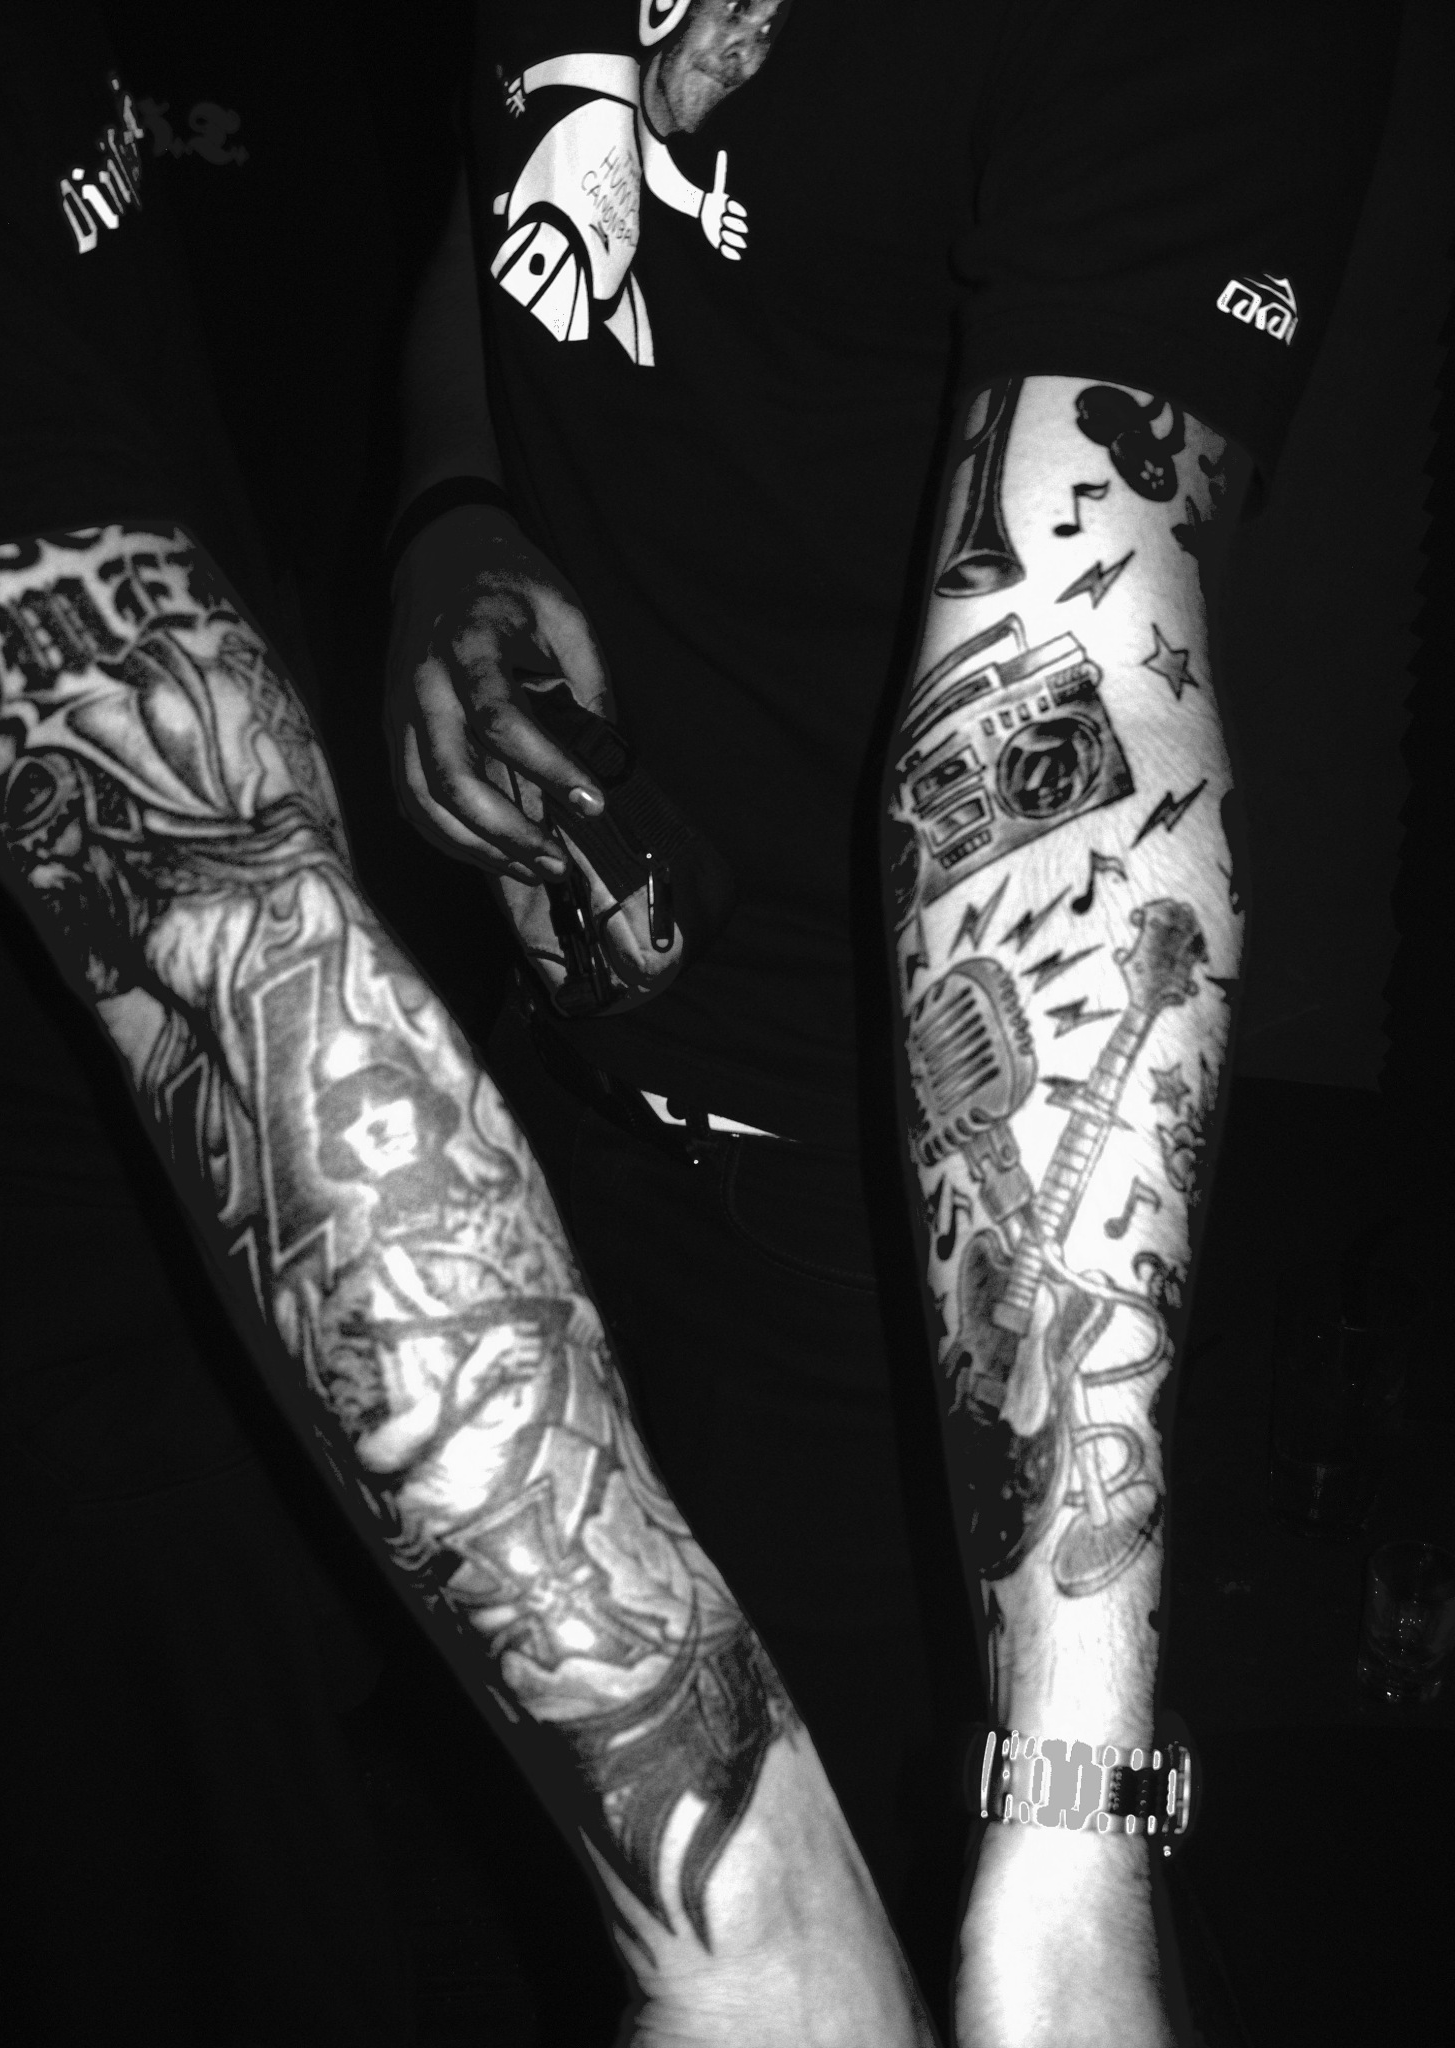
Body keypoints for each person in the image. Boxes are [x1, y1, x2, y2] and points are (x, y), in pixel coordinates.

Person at [0, 6, 938, 2044]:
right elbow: (219, 931)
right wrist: (755, 1906)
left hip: (233, 1235)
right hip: (33, 1271)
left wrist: (439, 518)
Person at [384, 0, 1403, 2039]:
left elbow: (1060, 692)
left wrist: (1072, 1814)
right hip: (511, 1132)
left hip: (875, 1285)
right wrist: (447, 504)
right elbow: (508, 186)